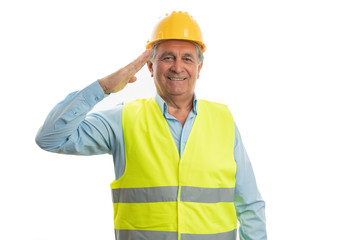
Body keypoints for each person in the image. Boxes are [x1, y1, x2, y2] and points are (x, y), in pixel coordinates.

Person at [36, 11, 267, 240]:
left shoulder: (223, 120)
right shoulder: (123, 119)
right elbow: (50, 138)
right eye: (168, 57)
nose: (177, 67)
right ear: (150, 66)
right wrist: (103, 87)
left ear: (199, 67)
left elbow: (249, 205)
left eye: (187, 58)